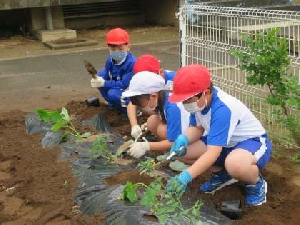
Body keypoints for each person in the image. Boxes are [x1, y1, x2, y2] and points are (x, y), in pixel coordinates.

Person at [165, 64, 272, 207]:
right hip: (224, 143)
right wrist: (183, 139)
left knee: (236, 165)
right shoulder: (200, 103)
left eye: (187, 100)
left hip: (251, 143)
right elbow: (197, 128)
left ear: (206, 92)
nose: (185, 104)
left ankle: (256, 184)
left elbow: (212, 153)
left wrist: (186, 176)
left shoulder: (223, 109)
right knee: (183, 152)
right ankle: (222, 175)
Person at [122, 70, 190, 158]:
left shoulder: (172, 107)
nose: (141, 106)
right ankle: (165, 150)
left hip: (193, 138)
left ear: (153, 96)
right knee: (152, 121)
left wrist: (146, 146)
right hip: (184, 131)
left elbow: (175, 141)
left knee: (164, 132)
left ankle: (176, 155)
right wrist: (135, 126)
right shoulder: (162, 98)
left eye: (140, 103)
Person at [127, 54, 176, 140]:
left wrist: (148, 146)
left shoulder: (174, 81)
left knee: (162, 129)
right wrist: (134, 126)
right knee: (150, 120)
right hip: (163, 111)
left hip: (177, 116)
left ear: (160, 72)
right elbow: (132, 103)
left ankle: (169, 140)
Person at [90, 28, 136, 114]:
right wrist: (98, 80)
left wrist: (104, 83)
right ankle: (113, 105)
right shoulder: (110, 60)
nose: (117, 52)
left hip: (131, 92)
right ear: (108, 48)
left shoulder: (131, 63)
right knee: (100, 76)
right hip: (119, 85)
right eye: (113, 50)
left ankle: (130, 111)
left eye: (121, 49)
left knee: (113, 93)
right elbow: (107, 75)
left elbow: (124, 84)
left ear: (128, 47)